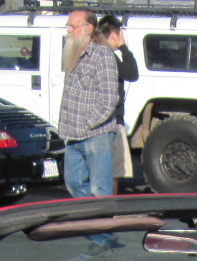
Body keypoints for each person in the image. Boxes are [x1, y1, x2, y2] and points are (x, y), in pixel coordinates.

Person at [58, 8, 120, 199]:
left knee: (100, 189)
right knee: (73, 182)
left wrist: (88, 123)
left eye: (73, 27)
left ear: (89, 28)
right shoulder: (74, 53)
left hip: (95, 134)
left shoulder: (102, 55)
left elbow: (109, 98)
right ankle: (88, 224)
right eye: (68, 26)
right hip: (72, 135)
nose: (69, 30)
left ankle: (102, 228)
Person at [97, 14, 139, 187]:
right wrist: (124, 48)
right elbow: (132, 73)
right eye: (119, 35)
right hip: (112, 120)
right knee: (113, 171)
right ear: (114, 34)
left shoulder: (93, 52)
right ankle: (109, 209)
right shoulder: (109, 56)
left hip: (99, 120)